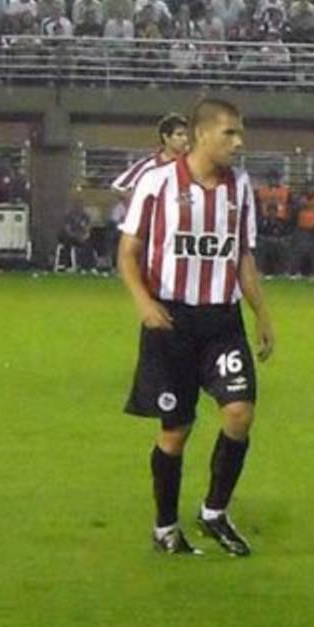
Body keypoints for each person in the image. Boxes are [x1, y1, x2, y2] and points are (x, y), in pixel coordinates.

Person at [117, 98, 275, 556]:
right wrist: (143, 302)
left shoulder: (240, 187)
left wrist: (262, 315)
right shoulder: (158, 182)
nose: (238, 143)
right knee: (176, 430)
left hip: (222, 320)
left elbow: (243, 256)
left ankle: (214, 512)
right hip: (171, 320)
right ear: (201, 134)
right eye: (230, 133)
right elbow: (128, 252)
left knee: (239, 412)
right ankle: (165, 526)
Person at [110, 112, 190, 199]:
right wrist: (138, 200)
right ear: (166, 137)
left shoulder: (191, 165)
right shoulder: (148, 164)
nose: (185, 139)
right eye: (179, 135)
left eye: (186, 135)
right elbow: (117, 187)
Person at [254, 168, 292, 276]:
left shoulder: (286, 191)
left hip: (281, 224)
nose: (273, 180)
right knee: (262, 246)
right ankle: (259, 271)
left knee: (283, 247)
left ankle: (284, 271)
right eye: (271, 178)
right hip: (264, 224)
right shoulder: (261, 191)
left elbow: (290, 208)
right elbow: (256, 207)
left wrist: (287, 227)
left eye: (275, 178)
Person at [291, 180, 314, 275]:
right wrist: (298, 206)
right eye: (307, 187)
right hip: (301, 227)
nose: (309, 189)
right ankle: (297, 272)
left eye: (311, 187)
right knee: (299, 251)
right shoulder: (299, 199)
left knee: (313, 252)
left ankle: (313, 272)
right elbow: (293, 213)